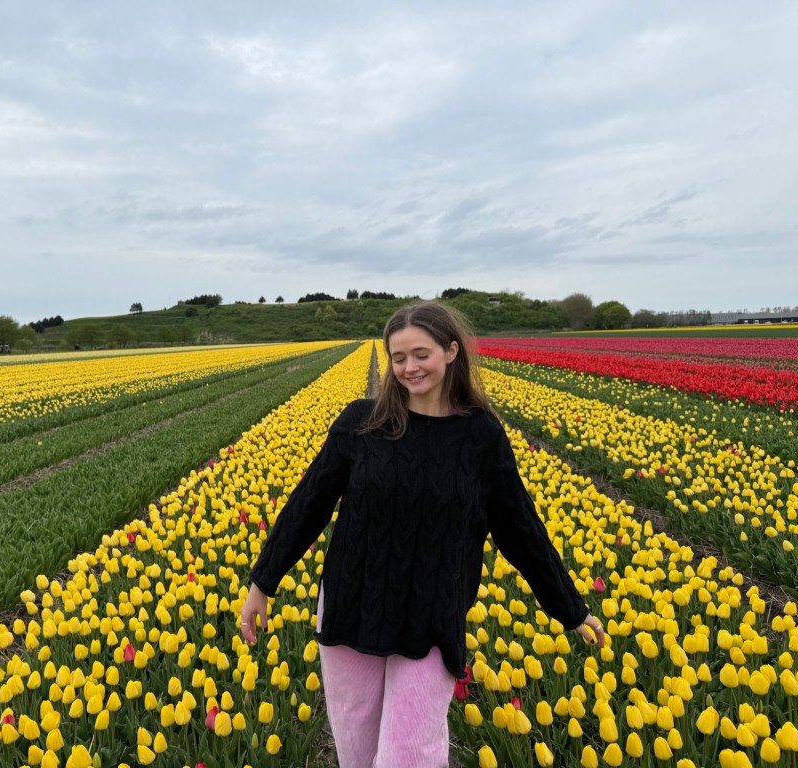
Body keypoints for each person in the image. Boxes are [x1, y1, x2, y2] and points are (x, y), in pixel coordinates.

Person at [240, 301, 605, 768]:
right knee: (357, 747)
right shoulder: (362, 423)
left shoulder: (480, 437)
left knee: (409, 753)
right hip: (354, 604)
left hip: (432, 613)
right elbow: (307, 505)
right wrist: (262, 584)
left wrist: (569, 609)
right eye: (398, 358)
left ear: (451, 351)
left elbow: (520, 529)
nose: (409, 367)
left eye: (421, 353)